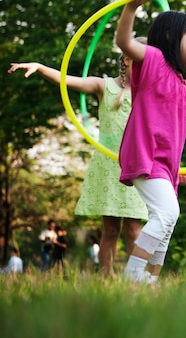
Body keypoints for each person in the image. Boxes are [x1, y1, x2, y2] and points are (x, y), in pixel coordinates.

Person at [8, 40, 150, 277]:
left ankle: (137, 277)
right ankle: (106, 277)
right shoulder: (104, 86)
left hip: (136, 165)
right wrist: (41, 67)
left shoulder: (148, 92)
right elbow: (69, 80)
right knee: (111, 229)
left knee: (135, 229)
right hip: (109, 165)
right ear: (127, 58)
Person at [115, 0, 186, 283]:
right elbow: (124, 42)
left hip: (165, 166)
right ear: (170, 36)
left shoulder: (184, 87)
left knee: (167, 223)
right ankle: (132, 277)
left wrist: (175, 171)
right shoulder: (153, 61)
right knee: (167, 214)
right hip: (145, 153)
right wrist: (132, 7)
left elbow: (173, 134)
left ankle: (150, 281)